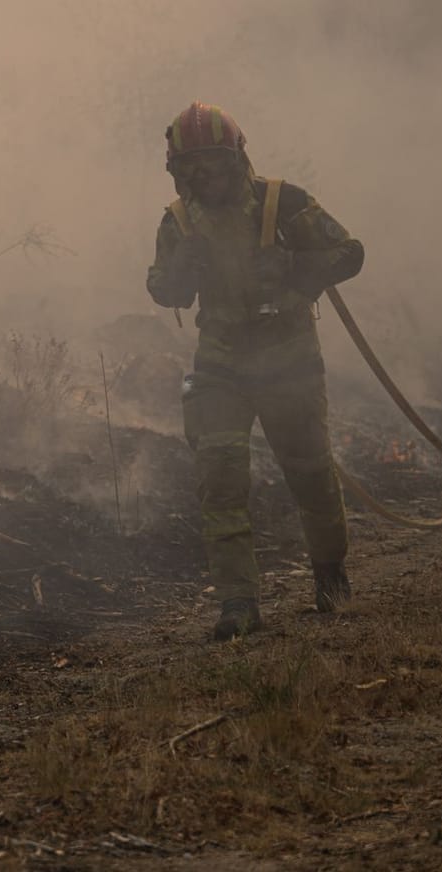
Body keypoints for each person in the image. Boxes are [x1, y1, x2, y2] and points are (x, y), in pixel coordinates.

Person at [146, 102, 364, 640]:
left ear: (237, 158)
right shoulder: (177, 221)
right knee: (219, 481)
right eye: (188, 168)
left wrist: (296, 265)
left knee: (311, 473)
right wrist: (180, 270)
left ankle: (330, 574)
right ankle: (238, 604)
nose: (201, 179)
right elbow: (160, 289)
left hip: (288, 360)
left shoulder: (283, 203)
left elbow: (350, 252)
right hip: (220, 363)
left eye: (211, 164)